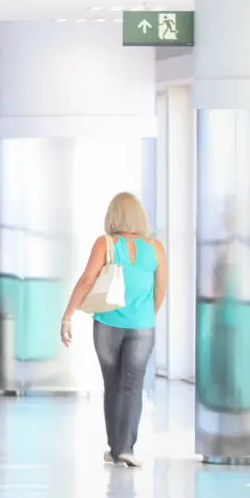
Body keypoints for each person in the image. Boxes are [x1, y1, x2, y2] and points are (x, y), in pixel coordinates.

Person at [61, 192, 169, 467]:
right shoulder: (156, 247)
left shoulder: (106, 244)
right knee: (133, 385)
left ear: (113, 216)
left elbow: (87, 280)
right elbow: (160, 290)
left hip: (108, 324)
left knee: (113, 384)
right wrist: (145, 316)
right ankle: (126, 449)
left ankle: (115, 447)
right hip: (143, 326)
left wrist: (68, 315)